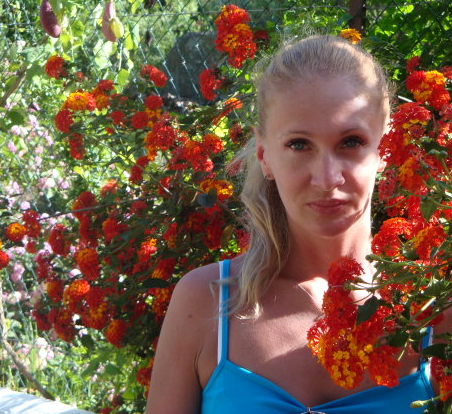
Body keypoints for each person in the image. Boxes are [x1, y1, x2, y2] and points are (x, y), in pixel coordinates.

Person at [146, 35, 436, 413]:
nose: (327, 178)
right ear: (264, 154)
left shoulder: (437, 306)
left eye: (351, 142)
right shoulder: (205, 302)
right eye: (299, 144)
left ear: (384, 146)